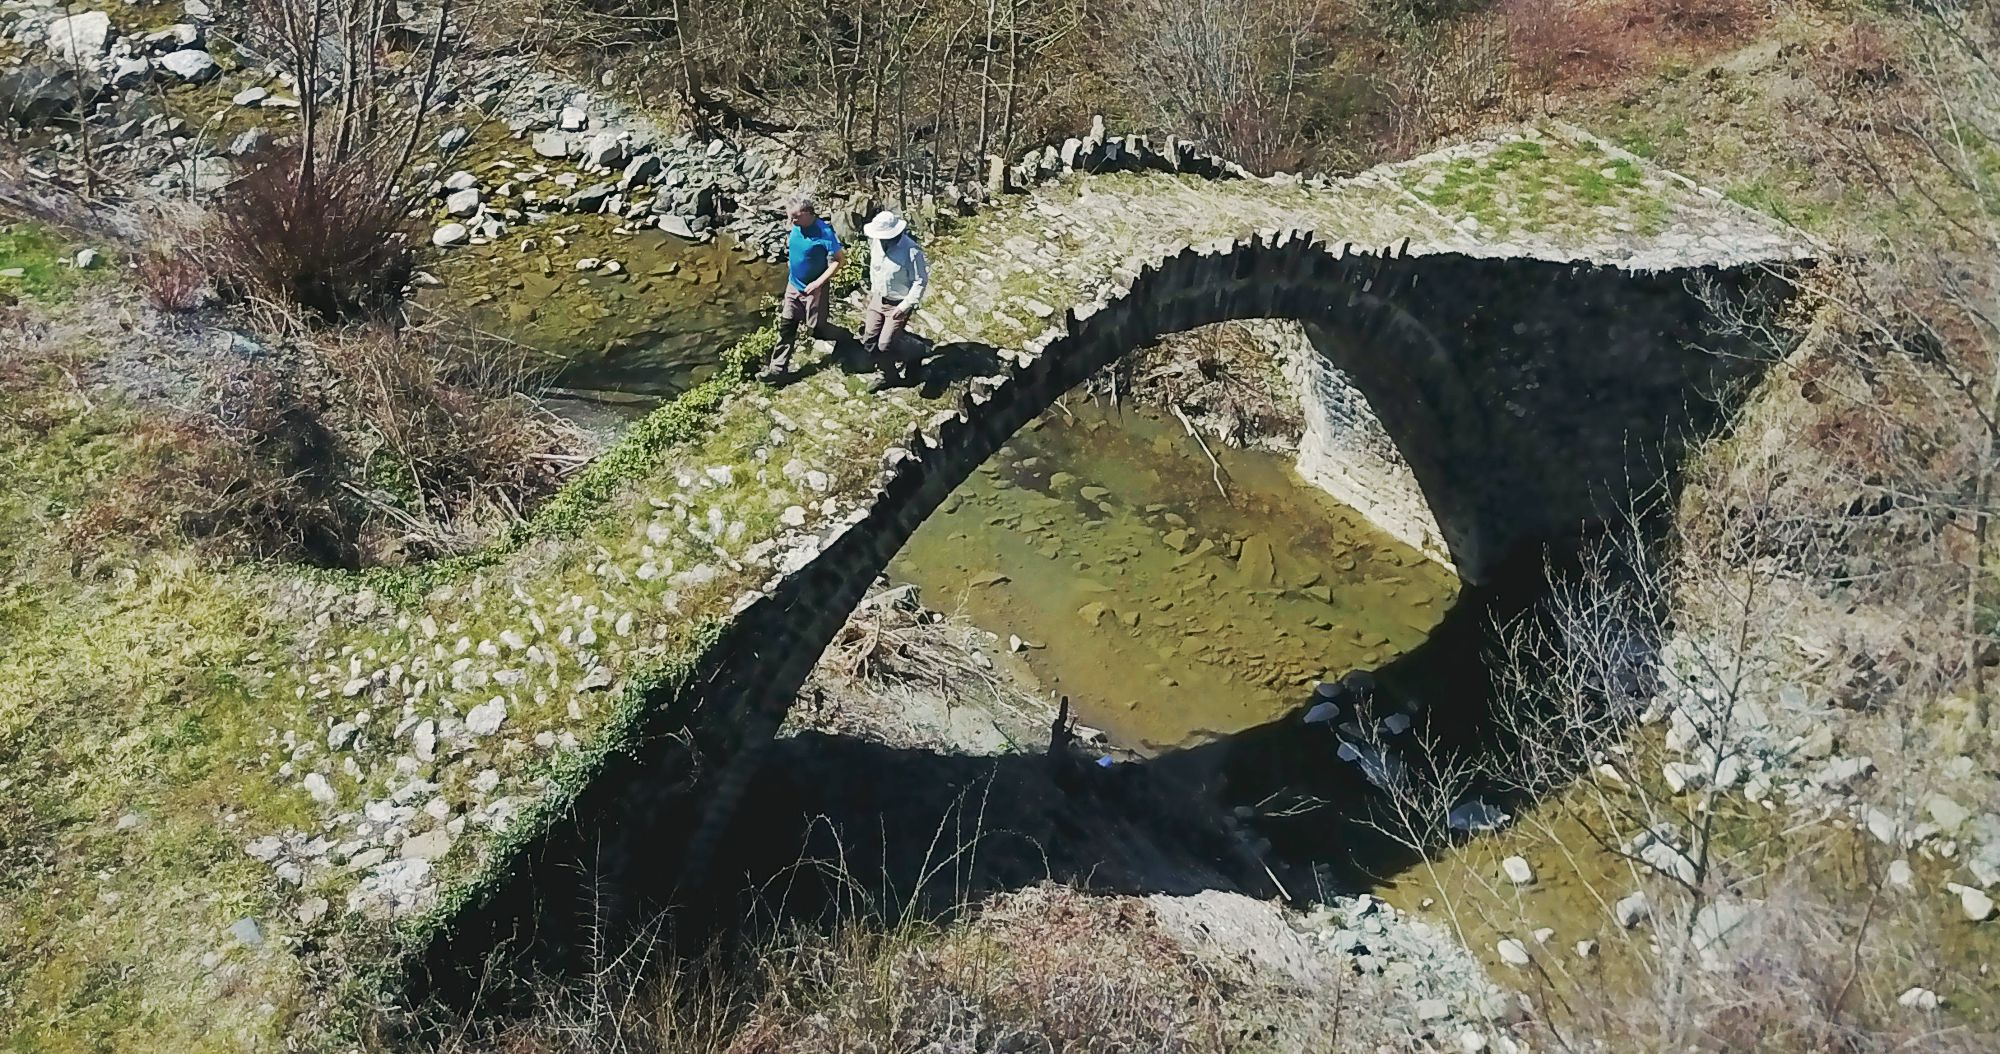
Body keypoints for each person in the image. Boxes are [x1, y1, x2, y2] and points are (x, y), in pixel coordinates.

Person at [766, 193, 844, 379]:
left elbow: (839, 261)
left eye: (795, 217)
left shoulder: (824, 232)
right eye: (790, 216)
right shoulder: (794, 224)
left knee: (817, 329)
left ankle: (845, 339)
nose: (791, 220)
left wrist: (818, 283)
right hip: (793, 286)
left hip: (814, 290)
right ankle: (777, 370)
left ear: (809, 214)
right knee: (787, 326)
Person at [860, 209, 929, 390]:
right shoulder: (875, 242)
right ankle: (889, 374)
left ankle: (916, 351)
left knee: (885, 344)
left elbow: (920, 280)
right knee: (870, 340)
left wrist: (905, 306)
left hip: (898, 303)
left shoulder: (911, 251)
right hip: (879, 298)